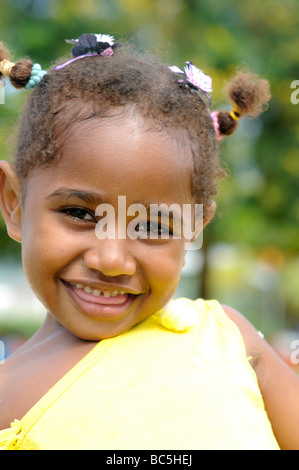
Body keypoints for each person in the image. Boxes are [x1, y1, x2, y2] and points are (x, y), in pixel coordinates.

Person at [0, 33, 298, 450]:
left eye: (154, 227)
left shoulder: (227, 336)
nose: (111, 259)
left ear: (195, 225)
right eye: (80, 214)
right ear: (14, 204)